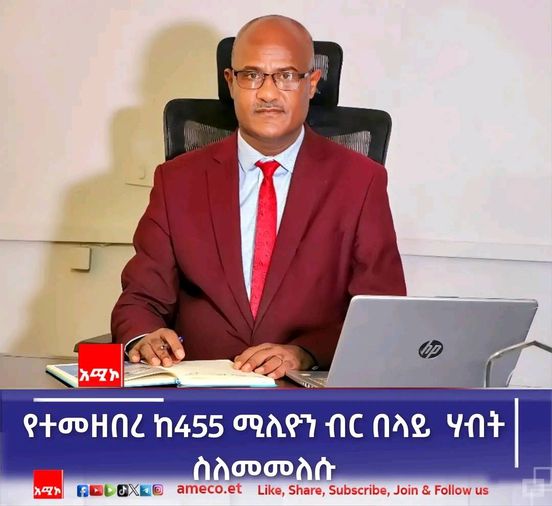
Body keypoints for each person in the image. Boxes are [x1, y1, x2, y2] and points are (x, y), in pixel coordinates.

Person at [111, 15, 406, 379]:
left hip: (302, 394)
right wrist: (144, 336)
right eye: (251, 75)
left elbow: (380, 312)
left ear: (312, 83)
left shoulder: (360, 181)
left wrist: (306, 353)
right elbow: (141, 299)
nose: (267, 93)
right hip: (198, 392)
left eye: (286, 75)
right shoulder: (177, 180)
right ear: (230, 82)